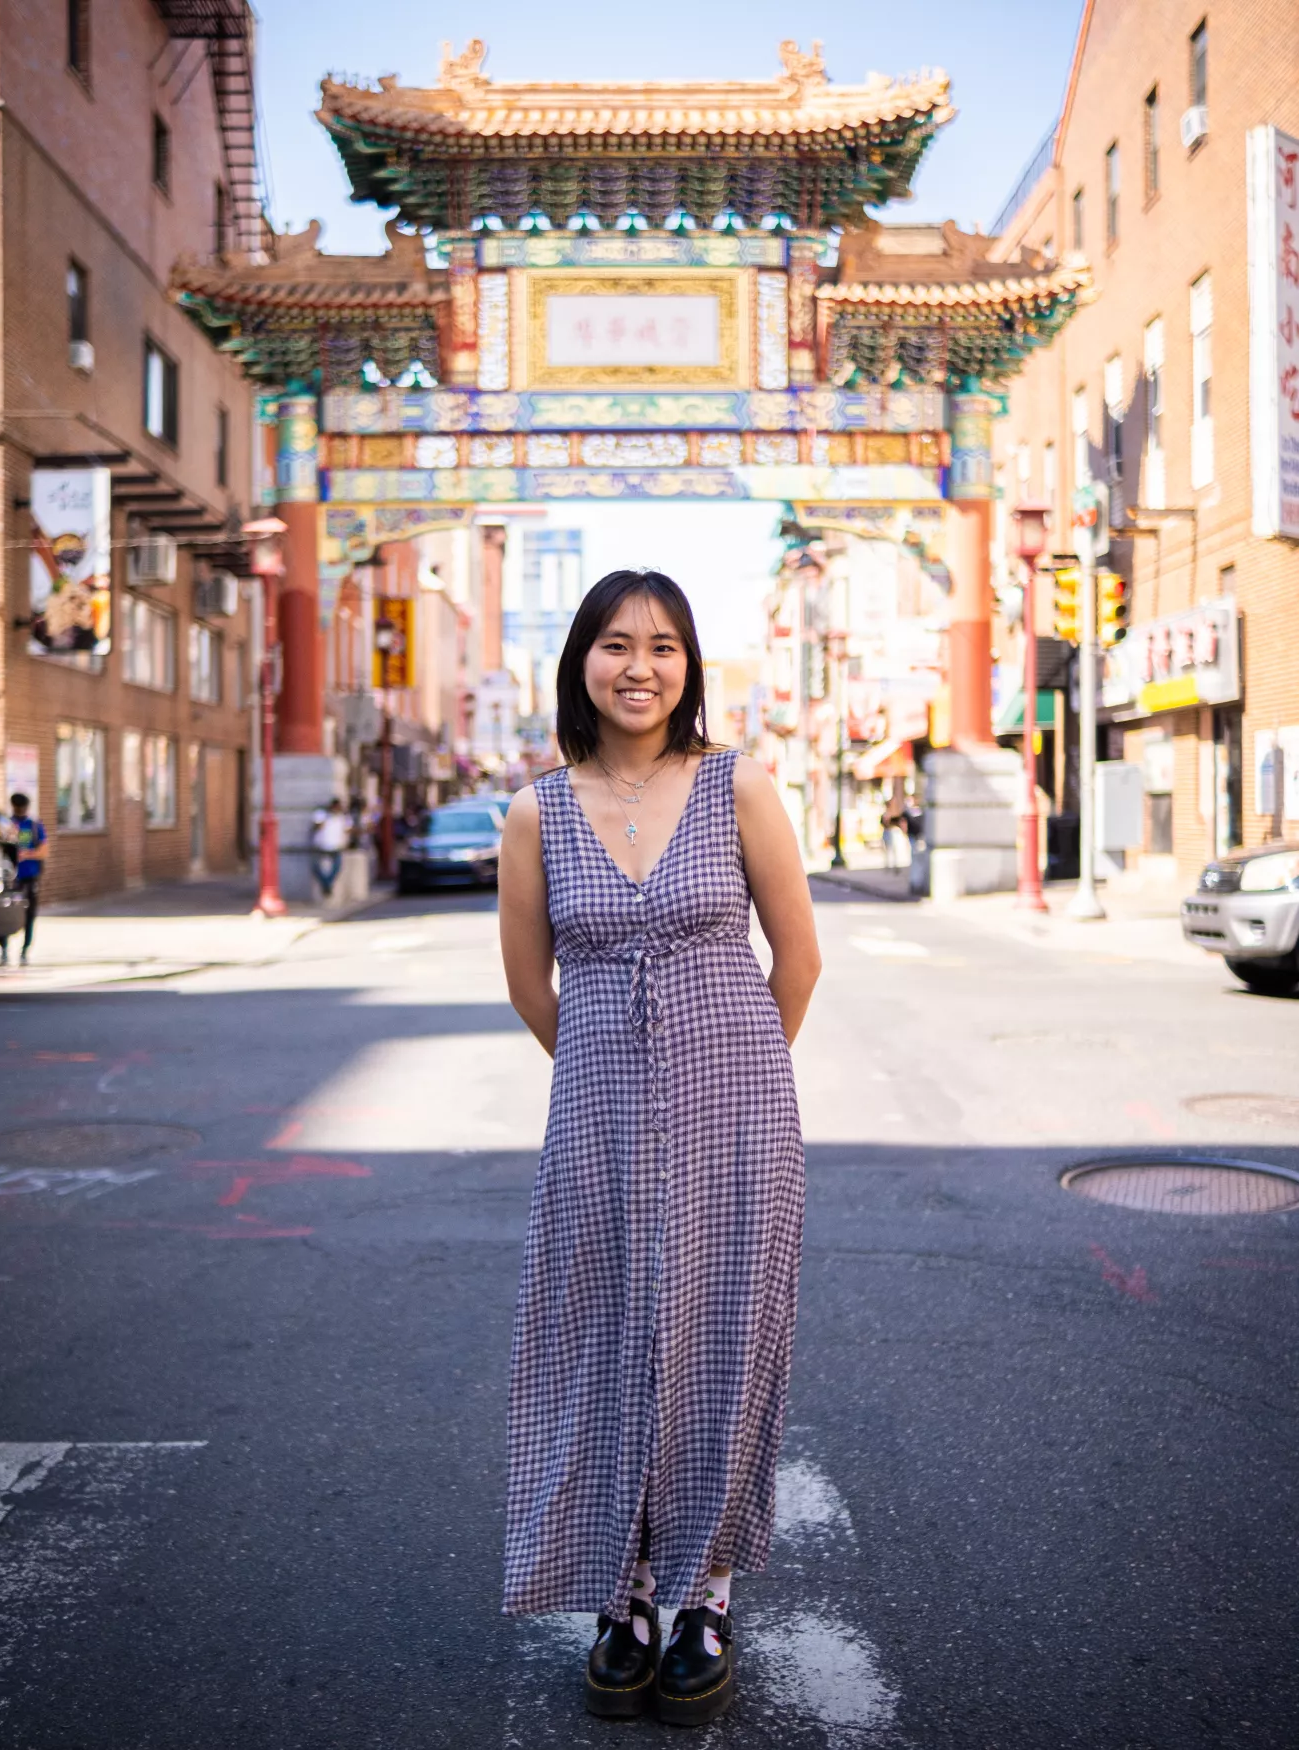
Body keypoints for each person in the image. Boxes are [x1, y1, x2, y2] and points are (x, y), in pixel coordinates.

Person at [498, 569, 821, 1725]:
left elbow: (798, 960)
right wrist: (614, 1084)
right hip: (591, 1123)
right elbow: (533, 988)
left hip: (738, 1116)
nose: (641, 666)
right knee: (602, 1346)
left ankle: (705, 1596)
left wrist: (726, 1080)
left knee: (723, 1345)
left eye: (665, 646)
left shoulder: (739, 789)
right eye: (617, 644)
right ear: (581, 659)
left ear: (690, 667)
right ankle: (622, 1593)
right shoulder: (537, 809)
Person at [0, 792, 45, 968]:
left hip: (30, 875)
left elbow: (44, 850)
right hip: (10, 877)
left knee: (29, 914)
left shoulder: (34, 825)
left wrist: (28, 854)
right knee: (5, 914)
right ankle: (4, 950)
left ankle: (24, 951)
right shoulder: (6, 824)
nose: (20, 810)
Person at [310, 798, 348, 901]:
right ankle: (326, 885)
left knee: (336, 868)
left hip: (336, 847)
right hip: (321, 846)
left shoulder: (341, 817)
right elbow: (317, 826)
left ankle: (327, 885)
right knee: (316, 867)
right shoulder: (322, 814)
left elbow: (347, 829)